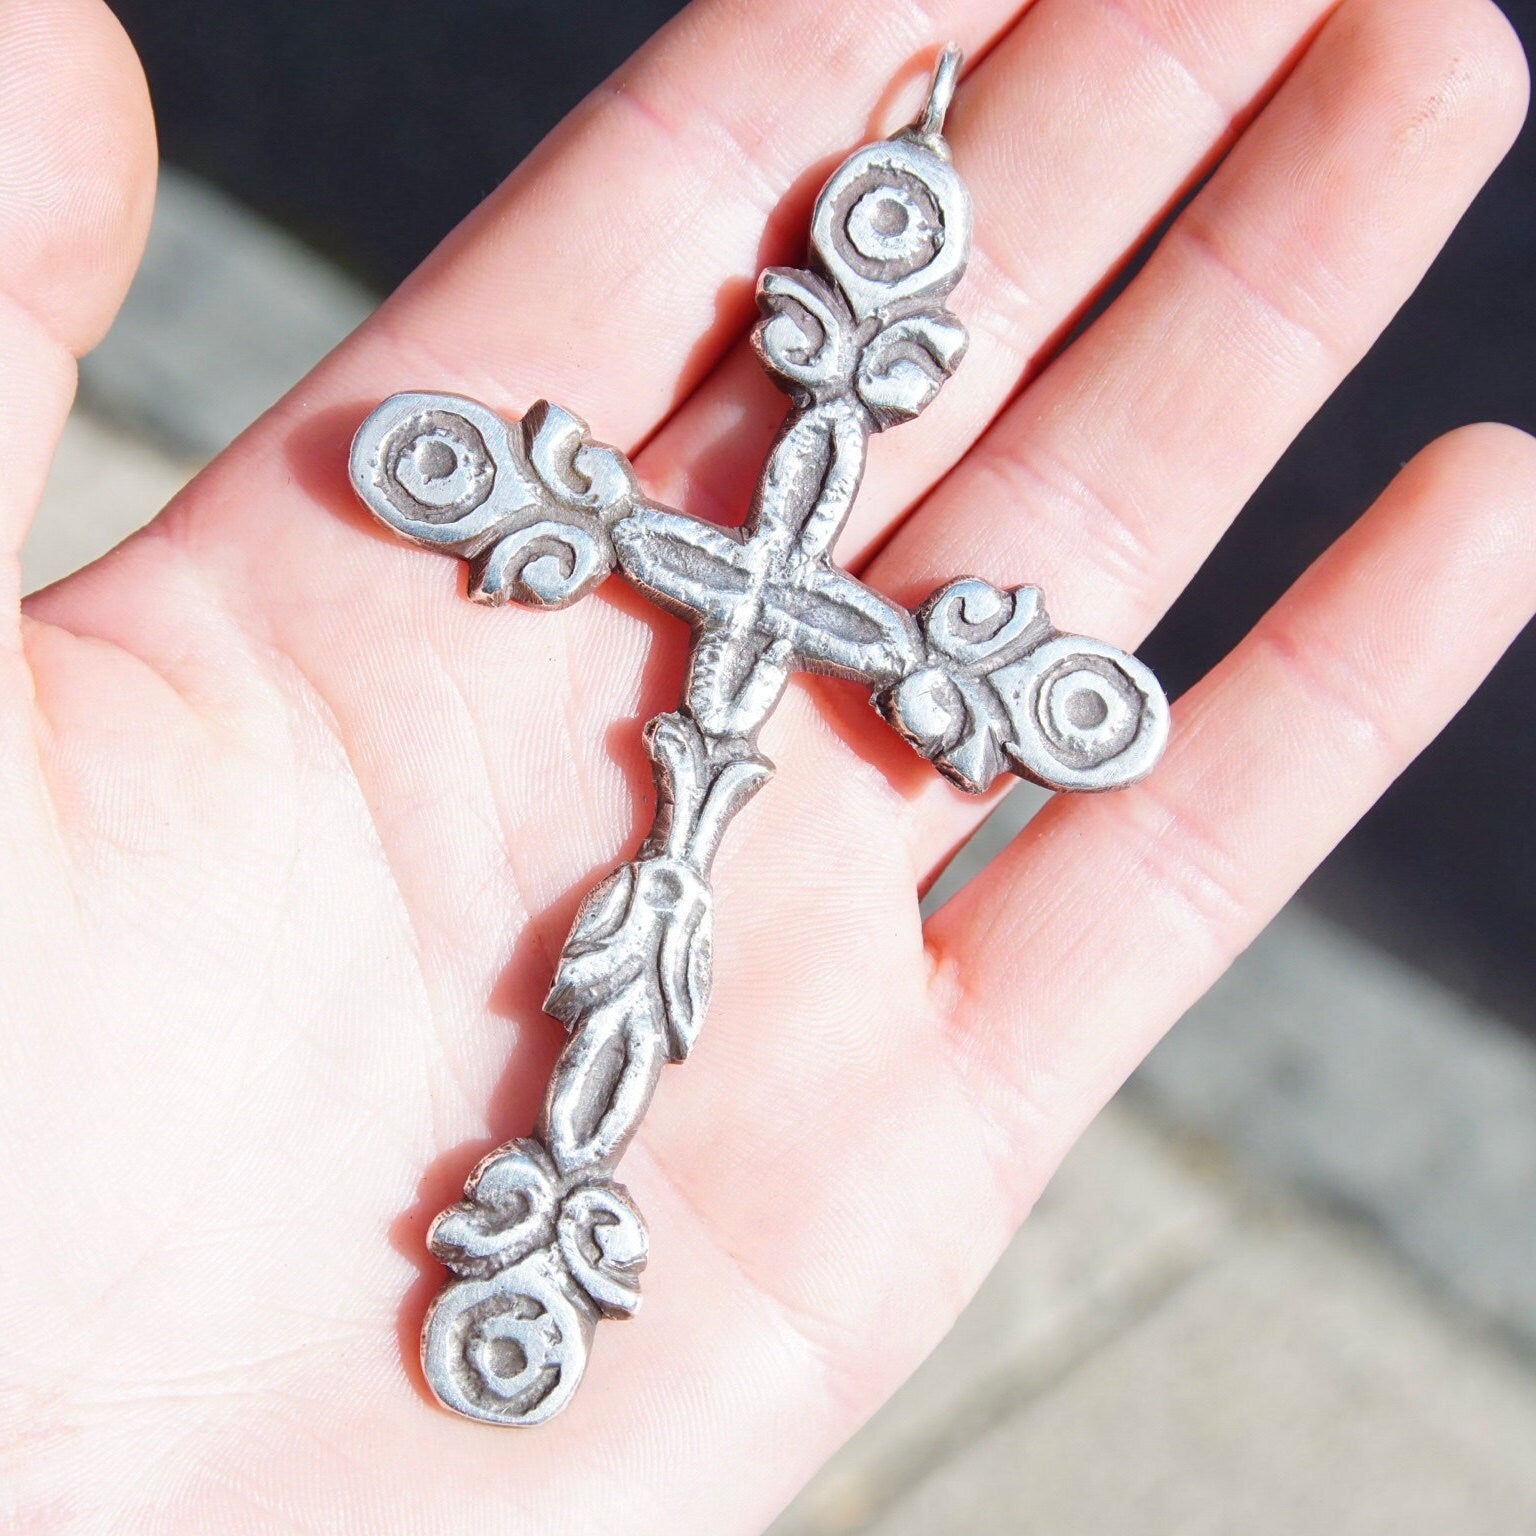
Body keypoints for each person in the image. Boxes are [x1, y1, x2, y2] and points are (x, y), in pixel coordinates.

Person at [2, 0, 1531, 1528]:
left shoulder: (759, 539)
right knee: (651, 923)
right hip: (699, 604)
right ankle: (545, 1241)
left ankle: (549, 1238)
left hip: (707, 611)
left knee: (652, 923)